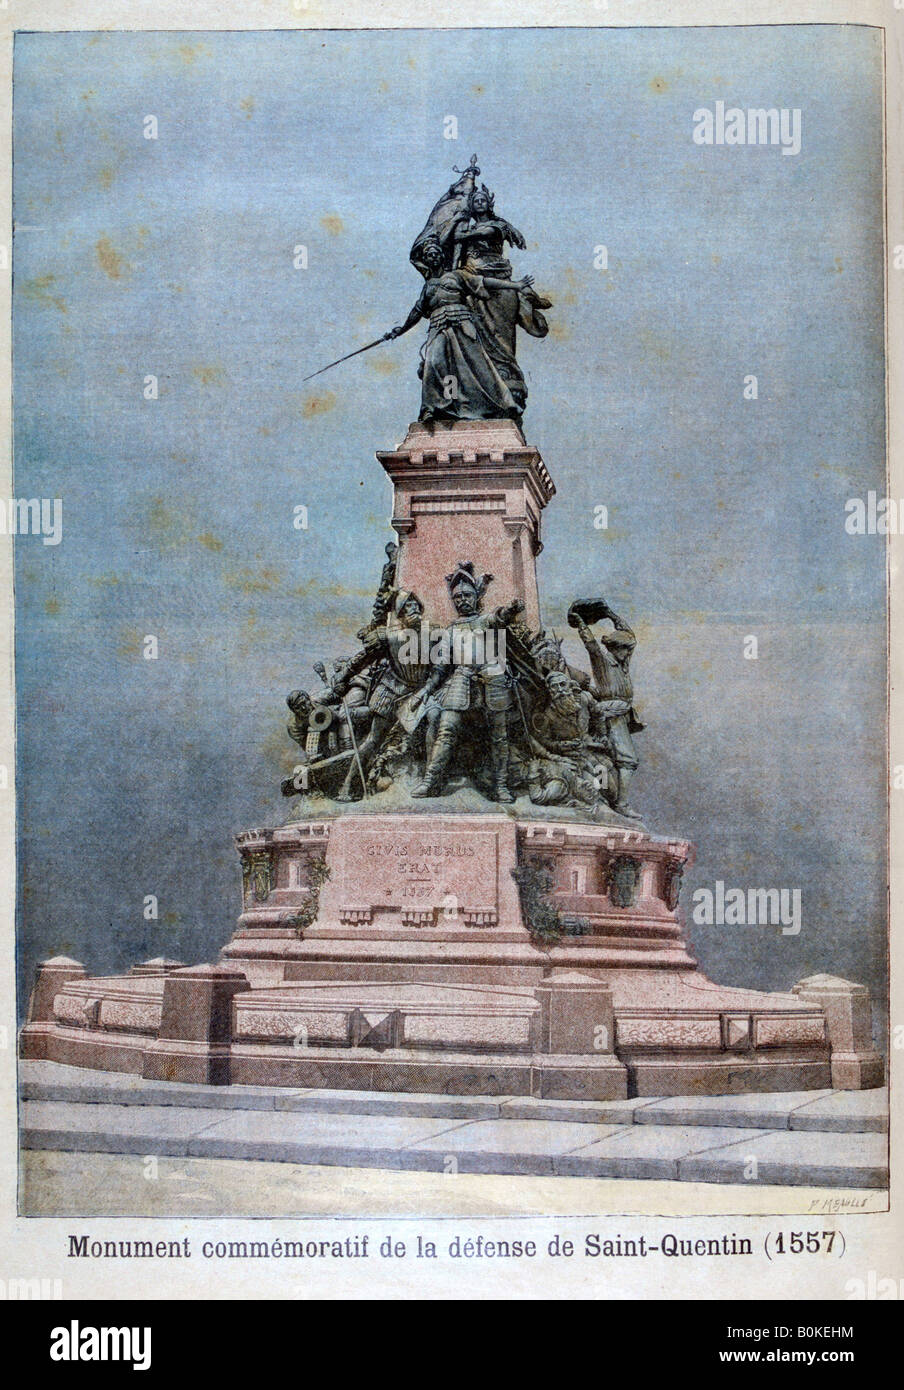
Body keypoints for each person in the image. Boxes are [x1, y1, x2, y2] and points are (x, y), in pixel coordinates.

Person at [384, 238, 536, 423]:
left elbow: (485, 282)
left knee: (476, 365)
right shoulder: (428, 286)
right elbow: (417, 311)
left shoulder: (457, 276)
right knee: (435, 364)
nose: (432, 257)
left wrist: (516, 285)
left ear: (441, 257)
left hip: (461, 323)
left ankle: (500, 404)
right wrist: (400, 330)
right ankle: (437, 407)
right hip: (438, 326)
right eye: (428, 255)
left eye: (435, 254)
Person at [409, 562, 524, 802]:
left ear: (476, 596)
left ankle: (501, 786)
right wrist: (425, 691)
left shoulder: (486, 621)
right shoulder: (451, 631)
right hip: (461, 680)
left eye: (467, 595)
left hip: (493, 680)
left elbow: (500, 617)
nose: (462, 600)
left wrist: (511, 610)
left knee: (499, 736)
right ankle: (430, 781)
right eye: (458, 596)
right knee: (447, 729)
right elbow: (440, 668)